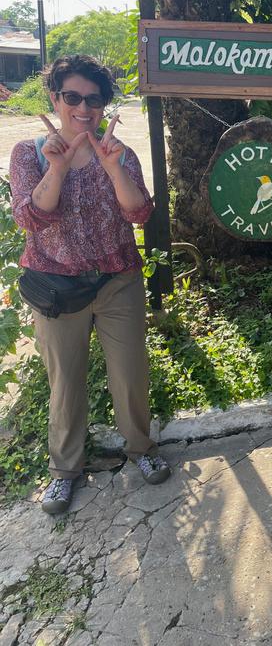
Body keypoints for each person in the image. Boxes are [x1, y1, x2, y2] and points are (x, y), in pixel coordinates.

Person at [10, 54, 171, 514]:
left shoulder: (121, 153)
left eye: (94, 100)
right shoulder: (29, 153)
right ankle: (64, 470)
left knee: (131, 371)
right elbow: (30, 218)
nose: (83, 108)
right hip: (57, 286)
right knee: (65, 381)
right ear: (55, 99)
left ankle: (140, 447)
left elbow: (139, 213)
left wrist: (113, 167)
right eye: (73, 97)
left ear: (103, 105)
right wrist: (57, 168)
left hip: (117, 279)